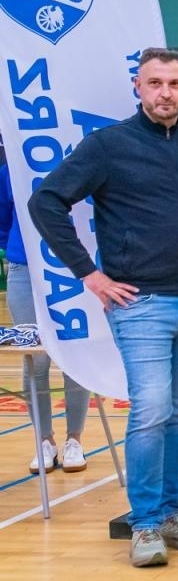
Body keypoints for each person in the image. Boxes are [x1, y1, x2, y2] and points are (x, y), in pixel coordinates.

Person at [29, 46, 178, 568]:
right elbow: (46, 201)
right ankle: (144, 524)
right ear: (138, 88)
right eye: (156, 83)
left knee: (175, 413)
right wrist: (89, 275)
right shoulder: (107, 146)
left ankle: (168, 515)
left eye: (176, 84)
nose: (166, 93)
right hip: (139, 303)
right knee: (151, 409)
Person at [1, 161, 89, 476]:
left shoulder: (79, 156)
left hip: (70, 268)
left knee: (74, 355)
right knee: (34, 360)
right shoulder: (11, 164)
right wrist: (20, 252)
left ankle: (74, 440)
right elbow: (2, 218)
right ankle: (44, 441)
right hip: (24, 268)